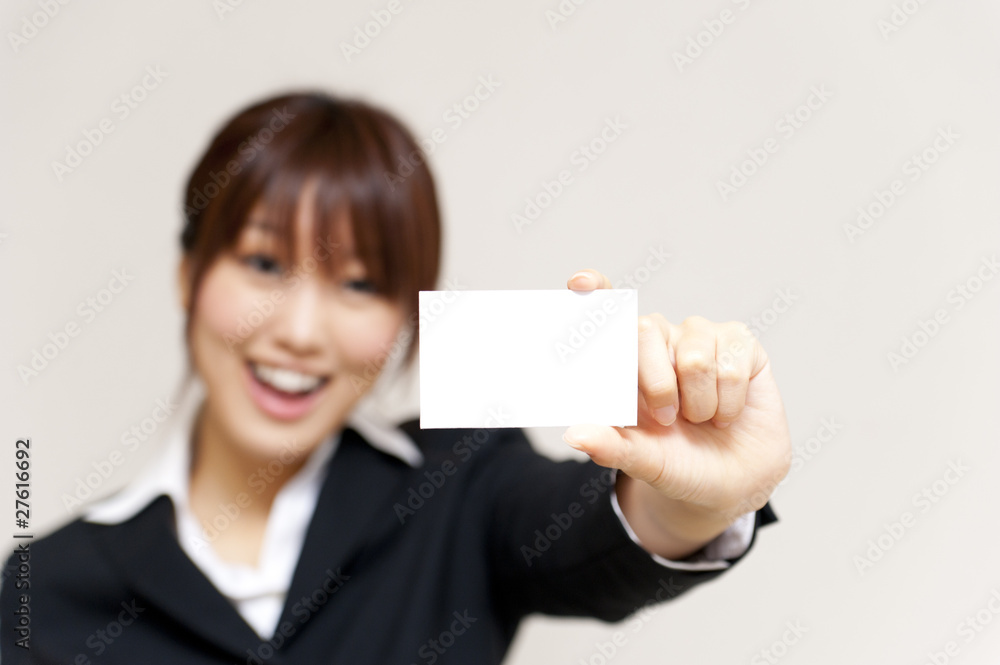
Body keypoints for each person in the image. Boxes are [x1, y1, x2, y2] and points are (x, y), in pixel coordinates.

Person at [1, 91, 791, 664]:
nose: (302, 331)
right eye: (264, 262)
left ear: (406, 318)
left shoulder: (460, 475)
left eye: (360, 282)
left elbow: (595, 534)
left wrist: (692, 496)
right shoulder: (47, 589)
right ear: (189, 275)